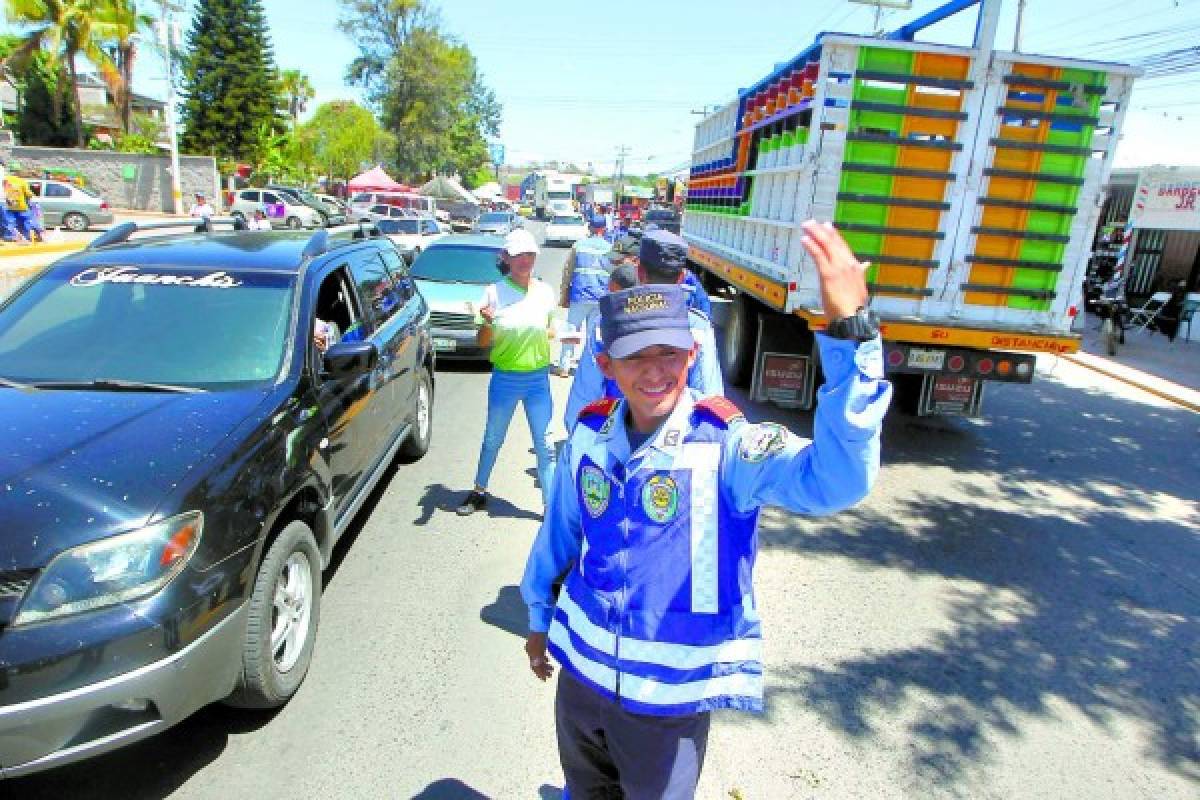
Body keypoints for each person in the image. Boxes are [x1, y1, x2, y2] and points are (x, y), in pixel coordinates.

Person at [519, 220, 892, 799]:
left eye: (669, 352)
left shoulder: (728, 446)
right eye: (635, 355)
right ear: (607, 364)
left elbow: (837, 481)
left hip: (667, 705)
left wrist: (851, 334)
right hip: (581, 684)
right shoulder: (590, 435)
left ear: (693, 353)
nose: (655, 370)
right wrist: (539, 616)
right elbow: (561, 537)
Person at [563, 228, 723, 427]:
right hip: (675, 443)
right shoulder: (698, 327)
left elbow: (582, 401)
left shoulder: (606, 324)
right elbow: (709, 396)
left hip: (612, 437)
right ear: (681, 277)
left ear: (639, 272)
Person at [457, 228, 558, 516]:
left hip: (538, 379)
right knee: (493, 438)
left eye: (529, 254)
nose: (525, 260)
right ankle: (478, 490)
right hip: (506, 378)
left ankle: (549, 508)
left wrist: (553, 334)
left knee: (545, 444)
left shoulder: (544, 292)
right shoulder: (493, 293)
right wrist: (488, 324)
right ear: (506, 258)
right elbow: (483, 342)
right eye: (518, 255)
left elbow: (551, 328)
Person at [555, 216, 613, 377]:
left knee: (571, 331)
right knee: (592, 334)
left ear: (590, 228)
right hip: (600, 298)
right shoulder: (610, 248)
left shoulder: (578, 246)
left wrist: (564, 293)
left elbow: (568, 271)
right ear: (603, 229)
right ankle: (589, 369)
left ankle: (564, 366)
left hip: (579, 295)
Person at [3, 166, 34, 243]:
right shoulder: (21, 181)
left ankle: (9, 236)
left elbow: (5, 191)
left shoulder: (6, 180)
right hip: (21, 206)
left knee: (11, 221)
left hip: (10, 205)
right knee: (26, 220)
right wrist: (31, 194)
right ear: (18, 172)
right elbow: (28, 194)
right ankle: (26, 236)